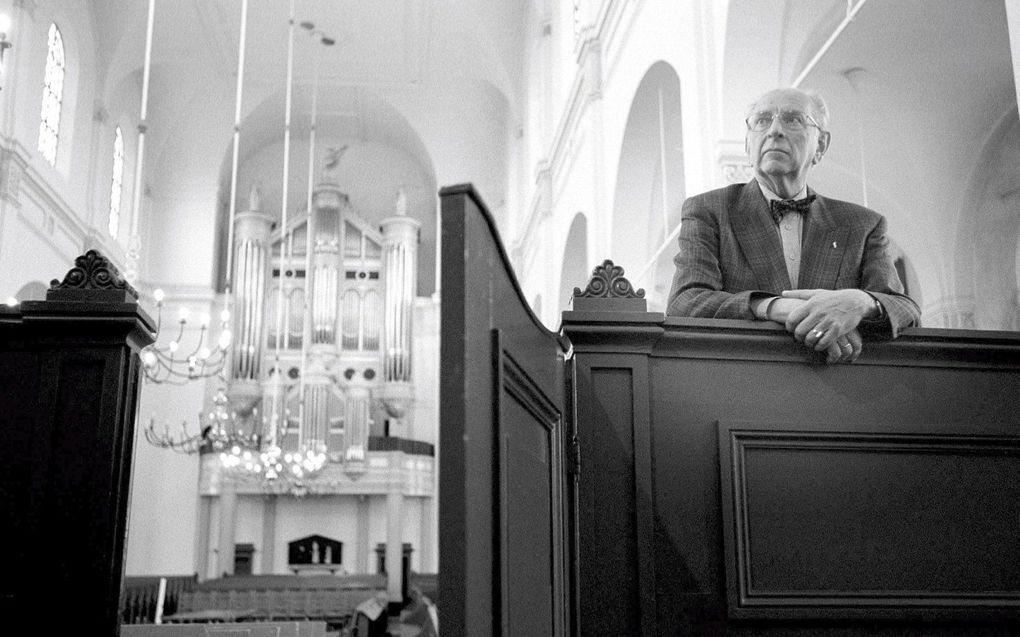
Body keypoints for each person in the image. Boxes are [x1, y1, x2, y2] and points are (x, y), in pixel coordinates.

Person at [666, 87, 920, 363]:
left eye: (793, 119)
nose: (774, 130)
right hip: (742, 380)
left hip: (839, 385)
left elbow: (906, 310)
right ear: (748, 144)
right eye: (762, 120)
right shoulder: (709, 211)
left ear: (820, 145)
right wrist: (776, 307)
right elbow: (685, 302)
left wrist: (857, 304)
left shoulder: (863, 224)